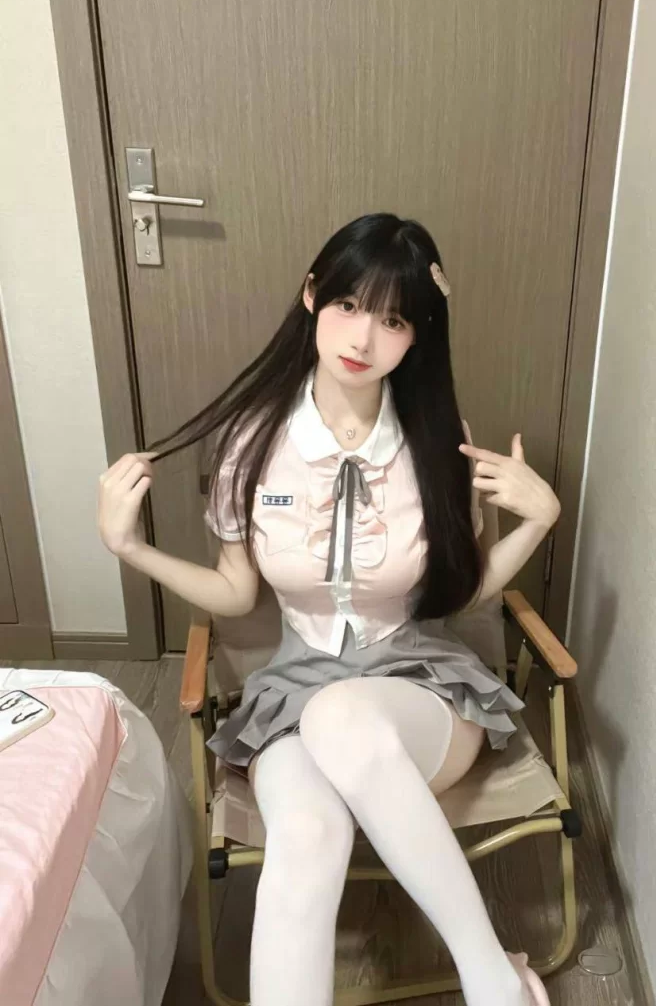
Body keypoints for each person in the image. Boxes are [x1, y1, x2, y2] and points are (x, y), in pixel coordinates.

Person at [97, 213, 561, 1006]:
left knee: (343, 716)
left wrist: (540, 518)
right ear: (312, 295)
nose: (363, 337)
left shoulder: (438, 438)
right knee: (306, 833)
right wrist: (131, 547)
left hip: (421, 691)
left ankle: (493, 980)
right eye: (348, 304)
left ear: (416, 336)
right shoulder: (249, 443)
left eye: (394, 319)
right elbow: (238, 591)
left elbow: (467, 588)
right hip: (293, 691)